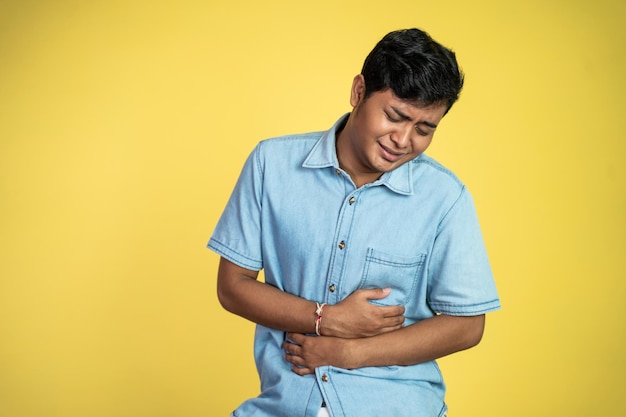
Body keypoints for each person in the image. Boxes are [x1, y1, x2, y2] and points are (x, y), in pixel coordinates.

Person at [208, 28, 500, 417]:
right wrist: (325, 318)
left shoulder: (445, 198)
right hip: (286, 402)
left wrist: (349, 352)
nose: (403, 139)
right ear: (359, 91)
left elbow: (467, 326)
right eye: (395, 116)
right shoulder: (271, 166)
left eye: (424, 129)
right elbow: (232, 286)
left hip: (396, 406)